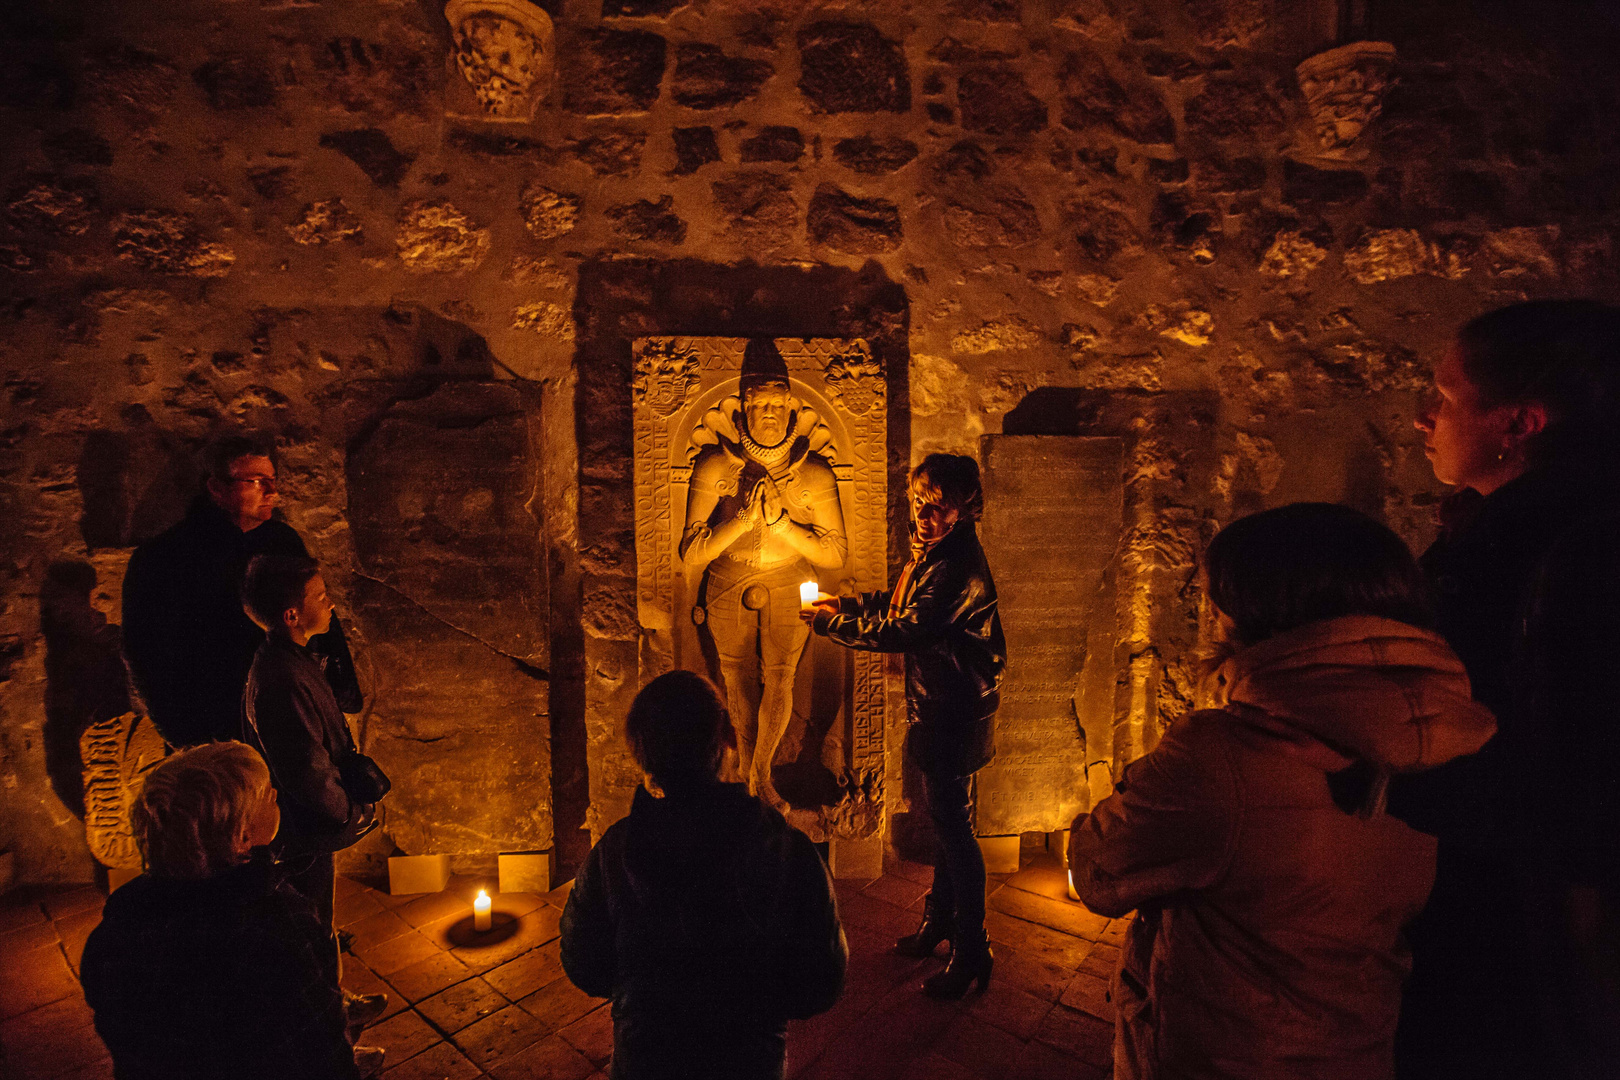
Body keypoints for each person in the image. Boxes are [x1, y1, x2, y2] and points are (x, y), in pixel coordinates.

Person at [1069, 503, 1496, 1080]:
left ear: (1258, 616)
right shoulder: (1449, 736)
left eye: (1219, 601)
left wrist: (1138, 788)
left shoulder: (1223, 756)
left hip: (1226, 1050)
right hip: (1357, 1046)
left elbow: (1099, 871)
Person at [1394, 299, 1620, 1078]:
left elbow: (1566, 779)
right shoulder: (1503, 534)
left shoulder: (1558, 556)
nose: (1425, 419)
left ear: (1519, 424)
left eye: (1448, 398)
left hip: (1515, 932)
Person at [559, 670, 847, 1080]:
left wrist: (640, 995)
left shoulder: (614, 853)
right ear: (730, 737)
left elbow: (582, 961)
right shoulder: (787, 851)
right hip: (749, 1059)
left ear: (641, 753)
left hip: (647, 1056)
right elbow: (821, 979)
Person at [805, 453, 1005, 999]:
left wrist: (834, 625)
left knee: (957, 834)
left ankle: (972, 948)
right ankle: (941, 924)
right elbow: (898, 603)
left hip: (954, 711)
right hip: (943, 705)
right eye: (919, 501)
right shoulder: (933, 555)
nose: (924, 513)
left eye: (938, 505)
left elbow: (907, 628)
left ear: (963, 510)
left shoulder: (955, 566)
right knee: (947, 822)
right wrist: (844, 602)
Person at [79, 741, 384, 1080]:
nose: (275, 796)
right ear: (241, 835)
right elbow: (320, 1054)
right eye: (265, 795)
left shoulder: (122, 924)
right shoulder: (273, 925)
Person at [680, 339, 848, 812]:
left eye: (778, 405)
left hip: (788, 578)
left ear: (793, 412)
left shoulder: (813, 473)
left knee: (781, 676)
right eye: (759, 405)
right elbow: (692, 552)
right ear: (743, 412)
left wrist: (783, 527)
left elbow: (835, 554)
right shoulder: (716, 464)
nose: (769, 415)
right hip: (728, 578)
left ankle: (760, 775)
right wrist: (739, 523)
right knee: (732, 678)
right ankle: (745, 770)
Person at [122, 432, 361, 748]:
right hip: (214, 727)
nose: (272, 492)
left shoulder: (282, 543)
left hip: (288, 717)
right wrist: (185, 737)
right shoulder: (164, 558)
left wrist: (341, 694)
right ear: (217, 488)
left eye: (272, 480)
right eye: (257, 481)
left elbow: (317, 615)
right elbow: (146, 654)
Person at [240, 554, 377, 932]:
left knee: (316, 912)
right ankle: (324, 987)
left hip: (310, 825)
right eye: (319, 597)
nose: (329, 603)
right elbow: (306, 770)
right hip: (305, 828)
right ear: (291, 616)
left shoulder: (290, 661)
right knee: (309, 919)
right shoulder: (282, 680)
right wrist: (349, 812)